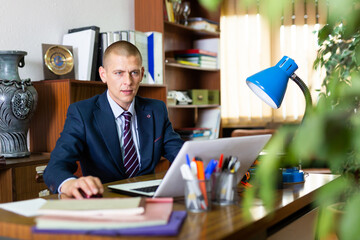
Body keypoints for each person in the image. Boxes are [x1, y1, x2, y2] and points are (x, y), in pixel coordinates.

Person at [43, 41, 184, 199]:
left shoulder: (156, 109)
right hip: (105, 200)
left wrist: (202, 163)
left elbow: (181, 154)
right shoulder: (82, 113)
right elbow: (55, 167)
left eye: (134, 73)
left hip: (148, 199)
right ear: (103, 75)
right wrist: (69, 183)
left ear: (142, 73)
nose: (128, 81)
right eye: (119, 73)